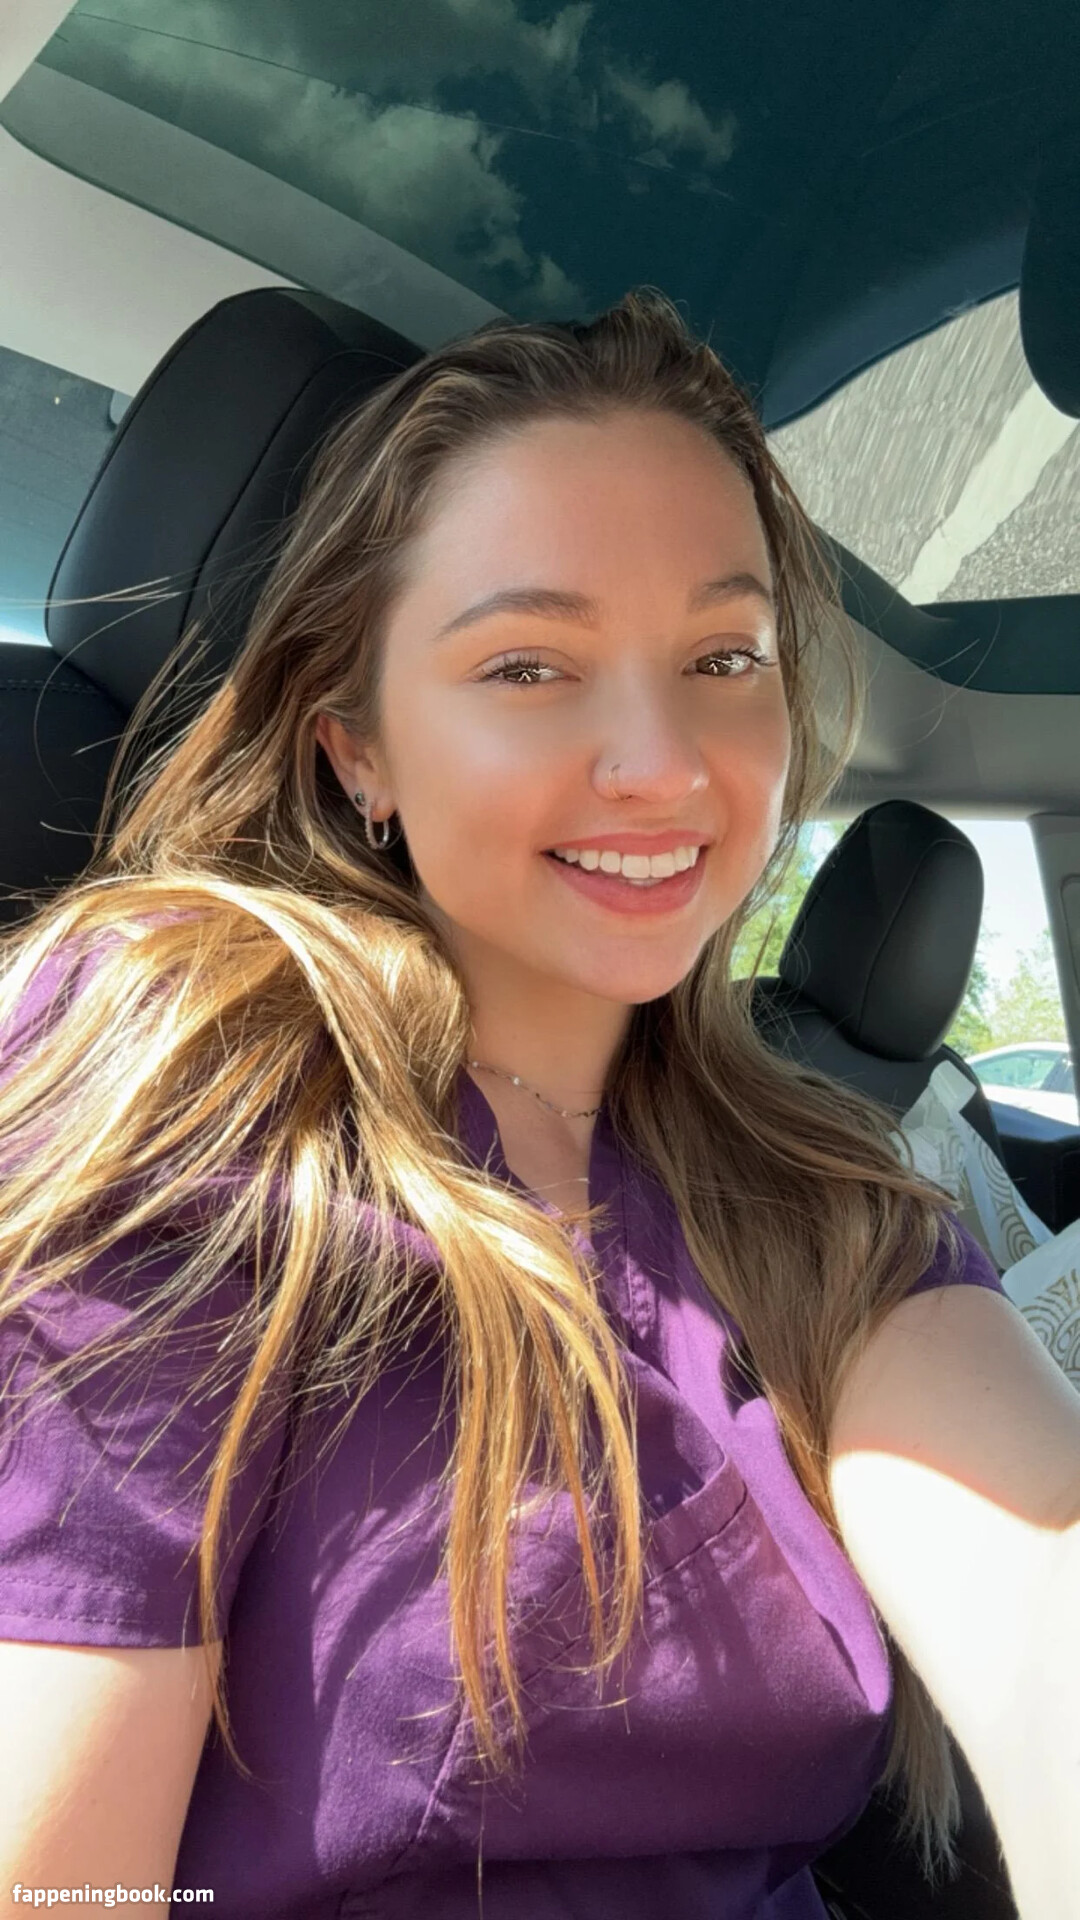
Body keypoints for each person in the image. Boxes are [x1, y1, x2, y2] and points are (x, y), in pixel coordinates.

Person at [0, 290, 1077, 1920]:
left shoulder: (822, 1197)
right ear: (357, 749)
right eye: (528, 665)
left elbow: (1042, 1564)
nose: (664, 761)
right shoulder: (197, 1075)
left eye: (723, 657)